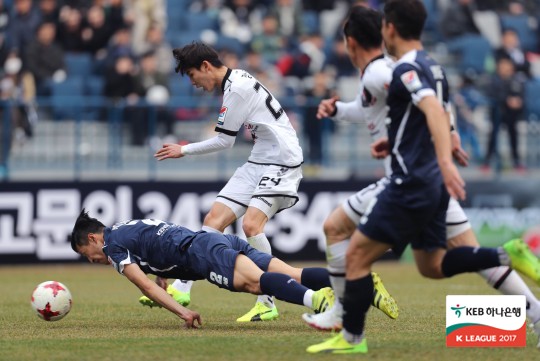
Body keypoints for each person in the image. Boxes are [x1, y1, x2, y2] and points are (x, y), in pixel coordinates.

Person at [306, 0, 540, 354]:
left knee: (338, 231)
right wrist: (349, 115)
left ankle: (344, 317)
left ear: (355, 40)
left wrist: (444, 153)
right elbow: (420, 107)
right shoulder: (412, 67)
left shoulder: (388, 71)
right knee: (446, 263)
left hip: (410, 178)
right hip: (426, 173)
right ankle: (533, 307)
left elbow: (429, 104)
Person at [151, 41, 303, 323]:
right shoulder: (236, 81)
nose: (194, 83)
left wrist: (182, 149)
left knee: (251, 225)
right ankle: (183, 289)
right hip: (260, 159)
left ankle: (267, 300)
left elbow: (224, 141)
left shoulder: (238, 89)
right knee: (213, 220)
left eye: (193, 75)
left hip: (283, 159)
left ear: (206, 66)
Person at [70, 209, 335, 328]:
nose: (93, 260)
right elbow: (157, 240)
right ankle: (354, 280)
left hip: (202, 253)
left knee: (257, 283)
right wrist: (162, 273)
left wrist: (183, 311)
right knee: (294, 274)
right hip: (214, 240)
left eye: (87, 255)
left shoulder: (112, 247)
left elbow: (145, 287)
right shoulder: (123, 228)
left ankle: (318, 302)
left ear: (93, 239)